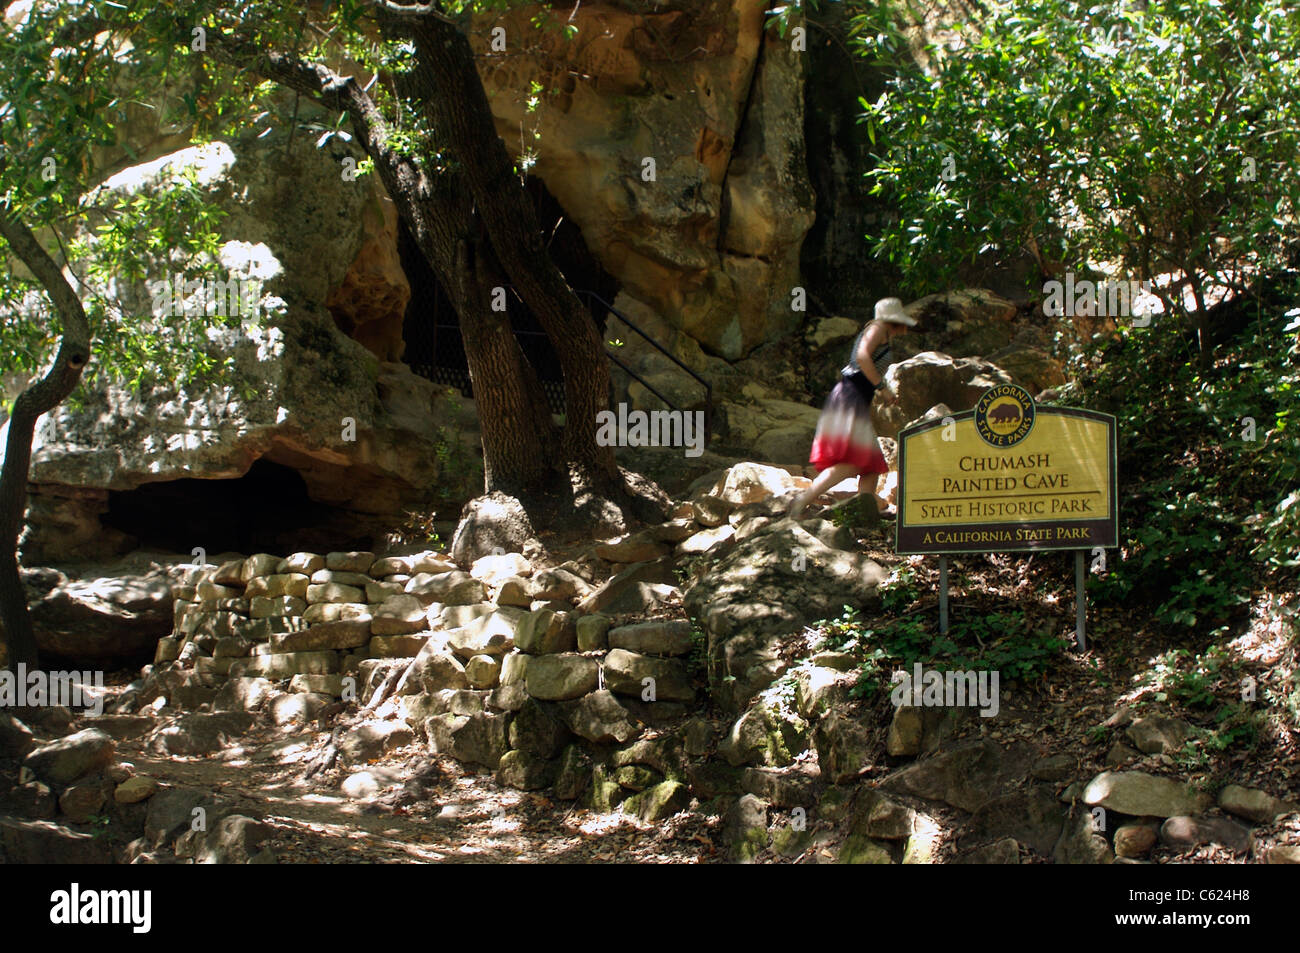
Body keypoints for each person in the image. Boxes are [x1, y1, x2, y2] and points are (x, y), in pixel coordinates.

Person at [788, 297, 916, 521]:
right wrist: (881, 388)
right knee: (853, 462)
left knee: (872, 463)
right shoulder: (877, 328)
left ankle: (863, 513)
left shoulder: (883, 332)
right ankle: (802, 501)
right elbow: (862, 356)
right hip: (851, 396)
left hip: (855, 397)